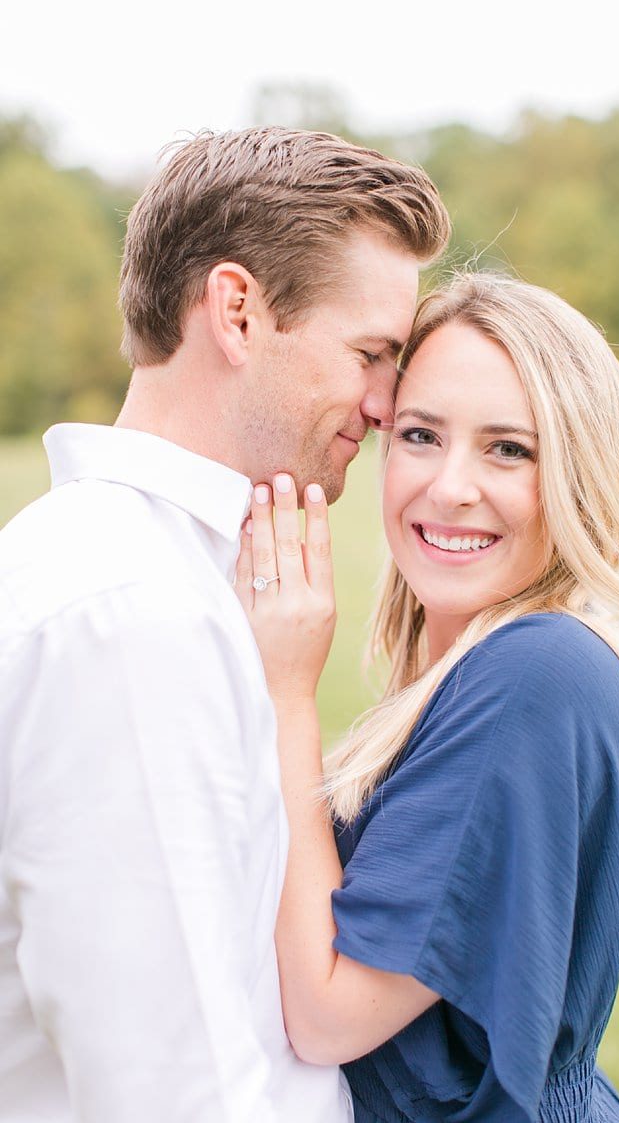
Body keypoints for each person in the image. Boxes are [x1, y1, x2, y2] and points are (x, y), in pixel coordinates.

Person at [0, 126, 451, 1121]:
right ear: (238, 312)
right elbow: (169, 1080)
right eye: (372, 353)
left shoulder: (166, 578)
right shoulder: (125, 613)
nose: (387, 405)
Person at [237, 271, 619, 1122]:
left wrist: (286, 690)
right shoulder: (489, 667)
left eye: (508, 448)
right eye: (420, 434)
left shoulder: (535, 674)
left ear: (580, 474)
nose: (448, 486)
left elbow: (331, 1016)